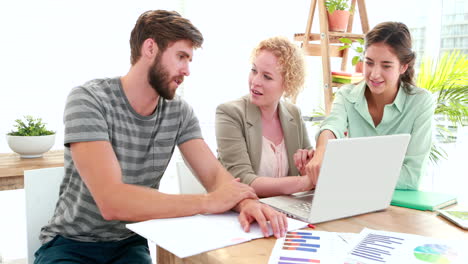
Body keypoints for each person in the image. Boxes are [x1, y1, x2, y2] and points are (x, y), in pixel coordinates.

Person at [34, 10, 286, 264]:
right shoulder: (89, 100)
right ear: (150, 48)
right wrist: (208, 202)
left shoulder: (179, 112)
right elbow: (111, 202)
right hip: (70, 245)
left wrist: (246, 204)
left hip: (129, 243)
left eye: (190, 60)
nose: (187, 70)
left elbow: (214, 176)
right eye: (181, 57)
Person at [306, 22, 435, 190]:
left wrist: (343, 171)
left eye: (386, 65)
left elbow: (411, 177)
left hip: (399, 205)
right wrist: (321, 152)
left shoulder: (420, 102)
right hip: (355, 197)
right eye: (369, 62)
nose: (374, 74)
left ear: (403, 66)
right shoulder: (347, 95)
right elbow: (332, 126)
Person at [216, 36, 315, 198]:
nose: (255, 81)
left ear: (288, 83)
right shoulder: (229, 113)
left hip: (285, 212)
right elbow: (243, 180)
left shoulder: (294, 114)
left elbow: (310, 167)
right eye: (254, 70)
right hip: (242, 212)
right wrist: (304, 182)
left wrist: (307, 166)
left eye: (267, 77)